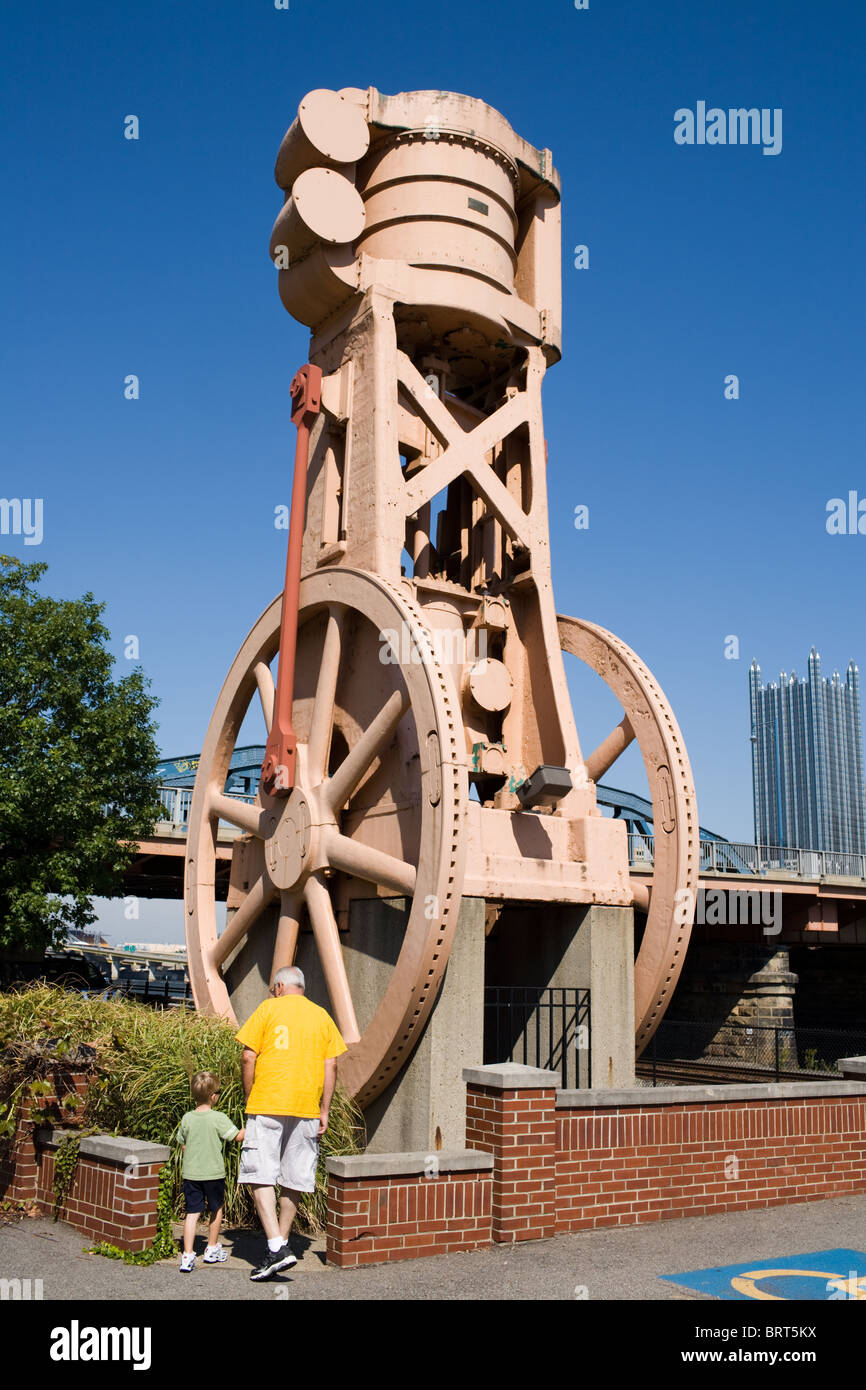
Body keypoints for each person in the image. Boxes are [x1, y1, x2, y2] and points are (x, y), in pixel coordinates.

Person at [235, 965, 347, 1281]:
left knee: (260, 1173)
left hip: (268, 1102)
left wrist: (249, 1098)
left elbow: (247, 1056)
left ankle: (275, 1246)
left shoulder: (268, 1009)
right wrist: (324, 1110)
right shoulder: (322, 1016)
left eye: (274, 988)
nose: (273, 993)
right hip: (308, 1108)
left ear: (281, 986)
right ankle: (281, 1244)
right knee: (295, 1177)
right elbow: (332, 1065)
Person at [176, 1070, 245, 1273]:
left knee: (192, 1212)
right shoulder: (218, 1118)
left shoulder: (187, 1118)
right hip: (213, 1174)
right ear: (214, 1096)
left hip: (191, 1174)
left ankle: (187, 1254)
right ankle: (212, 1248)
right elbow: (236, 1137)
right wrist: (253, 1126)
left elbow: (182, 1142)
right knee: (216, 1209)